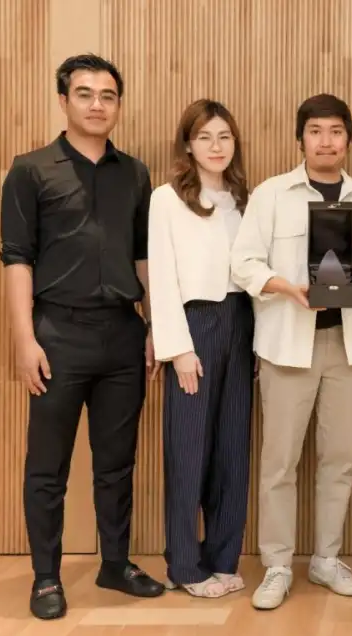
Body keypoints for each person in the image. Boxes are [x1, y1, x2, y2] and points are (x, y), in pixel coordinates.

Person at [0, 54, 165, 620]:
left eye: (108, 95)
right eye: (86, 94)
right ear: (64, 100)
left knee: (116, 463)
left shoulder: (135, 173)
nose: (98, 104)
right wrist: (25, 340)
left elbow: (143, 256)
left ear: (118, 104)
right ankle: (46, 577)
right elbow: (16, 259)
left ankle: (114, 563)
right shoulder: (30, 170)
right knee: (47, 467)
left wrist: (154, 328)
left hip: (123, 333)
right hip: (57, 334)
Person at [231, 93, 352, 610]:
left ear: (349, 139)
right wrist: (286, 286)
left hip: (350, 346)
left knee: (339, 460)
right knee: (279, 462)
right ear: (300, 139)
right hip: (286, 346)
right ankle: (277, 565)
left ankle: (326, 558)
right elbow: (243, 263)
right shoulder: (272, 195)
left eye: (336, 132)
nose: (326, 141)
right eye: (316, 131)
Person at [147, 99, 254, 598]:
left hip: (241, 321)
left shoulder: (245, 200)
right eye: (205, 137)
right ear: (188, 145)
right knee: (189, 451)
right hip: (195, 325)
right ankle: (185, 566)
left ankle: (223, 558)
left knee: (233, 449)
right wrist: (177, 348)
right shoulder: (167, 199)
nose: (216, 146)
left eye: (224, 137)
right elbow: (162, 275)